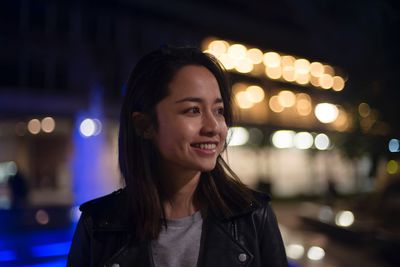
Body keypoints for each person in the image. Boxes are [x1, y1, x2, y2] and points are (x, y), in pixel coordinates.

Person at [67, 46, 288, 267]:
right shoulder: (97, 225)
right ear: (144, 125)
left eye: (218, 110)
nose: (213, 127)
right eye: (193, 110)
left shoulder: (253, 217)